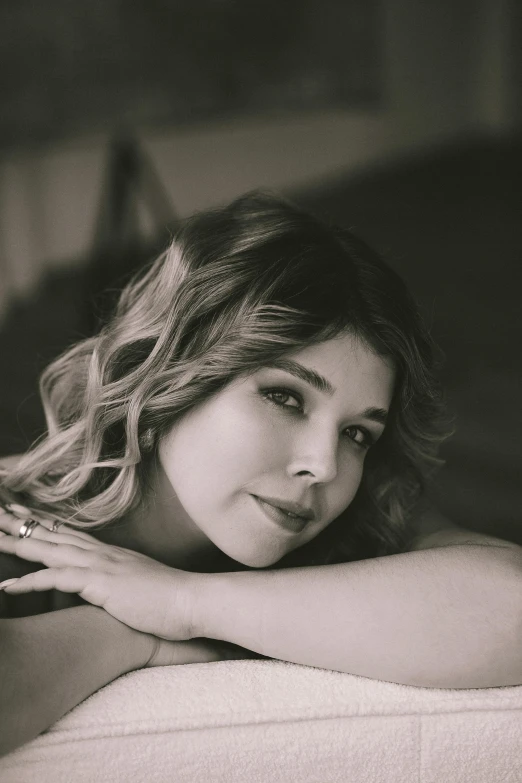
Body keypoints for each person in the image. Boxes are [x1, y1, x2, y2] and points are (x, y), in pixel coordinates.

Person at [0, 191, 520, 757]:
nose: (323, 466)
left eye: (357, 434)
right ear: (168, 376)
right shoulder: (16, 536)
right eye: (284, 397)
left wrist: (184, 605)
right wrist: (122, 631)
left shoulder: (362, 529)